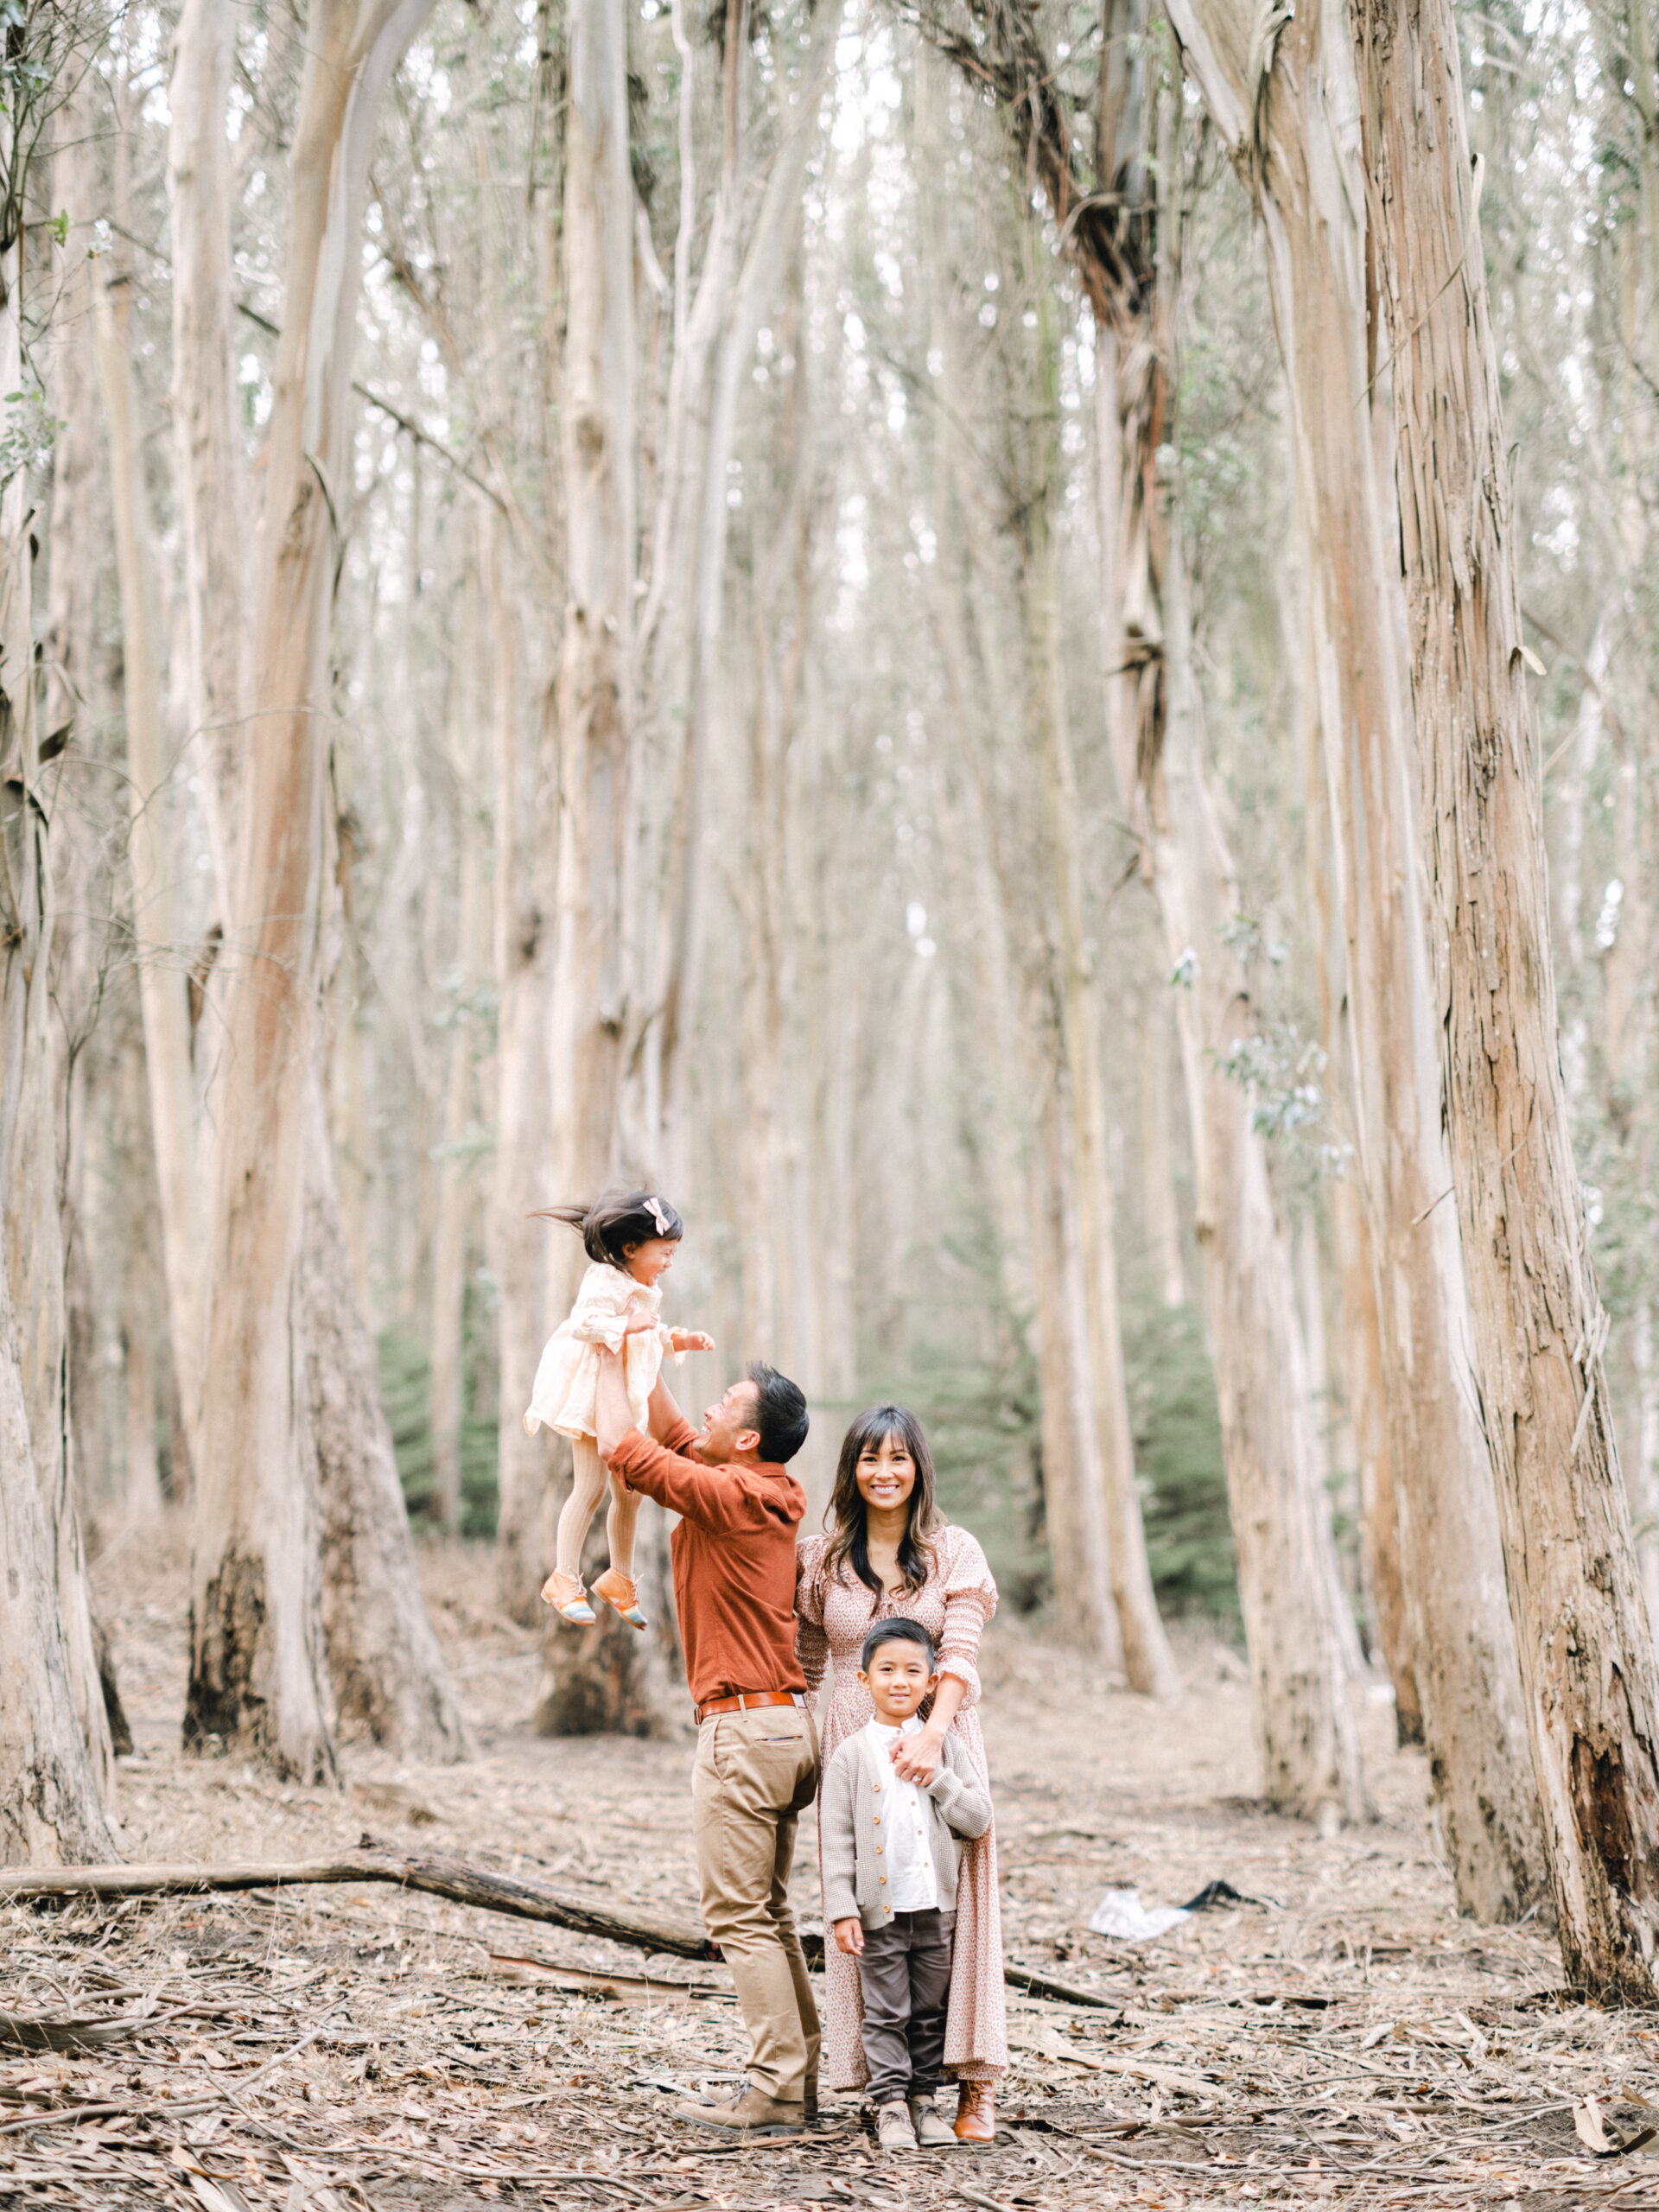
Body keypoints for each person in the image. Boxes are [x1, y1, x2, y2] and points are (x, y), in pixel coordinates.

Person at [594, 1345, 820, 2139]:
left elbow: (632, 1447)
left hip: (745, 1731)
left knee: (737, 1916)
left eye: (728, 1402)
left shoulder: (729, 1495)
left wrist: (592, 1359)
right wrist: (636, 1339)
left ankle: (776, 2091)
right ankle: (798, 2080)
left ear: (751, 1440)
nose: (712, 1410)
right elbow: (668, 1422)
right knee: (771, 1912)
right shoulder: (757, 1489)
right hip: (783, 1727)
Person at [797, 1406, 1007, 2143]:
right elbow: (807, 1662)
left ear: (918, 1467)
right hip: (852, 1741)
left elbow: (961, 1653)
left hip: (941, 1736)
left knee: (958, 1910)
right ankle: (881, 2085)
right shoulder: (821, 1559)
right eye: (868, 1460)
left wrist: (933, 1738)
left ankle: (973, 2084)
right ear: (850, 1470)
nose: (884, 1473)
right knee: (872, 1915)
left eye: (898, 1459)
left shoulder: (951, 1549)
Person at [820, 1617, 992, 2151]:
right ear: (862, 1679)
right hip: (879, 1911)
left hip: (936, 1909)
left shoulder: (947, 1747)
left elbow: (978, 1820)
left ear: (932, 1681)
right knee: (886, 2009)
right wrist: (842, 1908)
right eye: (887, 1669)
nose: (900, 1680)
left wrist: (938, 1779)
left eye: (913, 1670)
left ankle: (924, 2099)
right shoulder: (851, 1753)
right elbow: (836, 1838)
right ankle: (890, 2105)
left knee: (928, 2011)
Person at [524, 1189, 714, 1629]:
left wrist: (678, 1341)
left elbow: (647, 1334)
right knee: (589, 1488)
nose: (669, 1262)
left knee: (630, 1492)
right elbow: (583, 1325)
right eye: (665, 1252)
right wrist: (624, 1325)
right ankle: (563, 1577)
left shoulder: (644, 1286)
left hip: (624, 1398)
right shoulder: (605, 1279)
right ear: (631, 1248)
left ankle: (619, 1577)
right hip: (593, 1396)